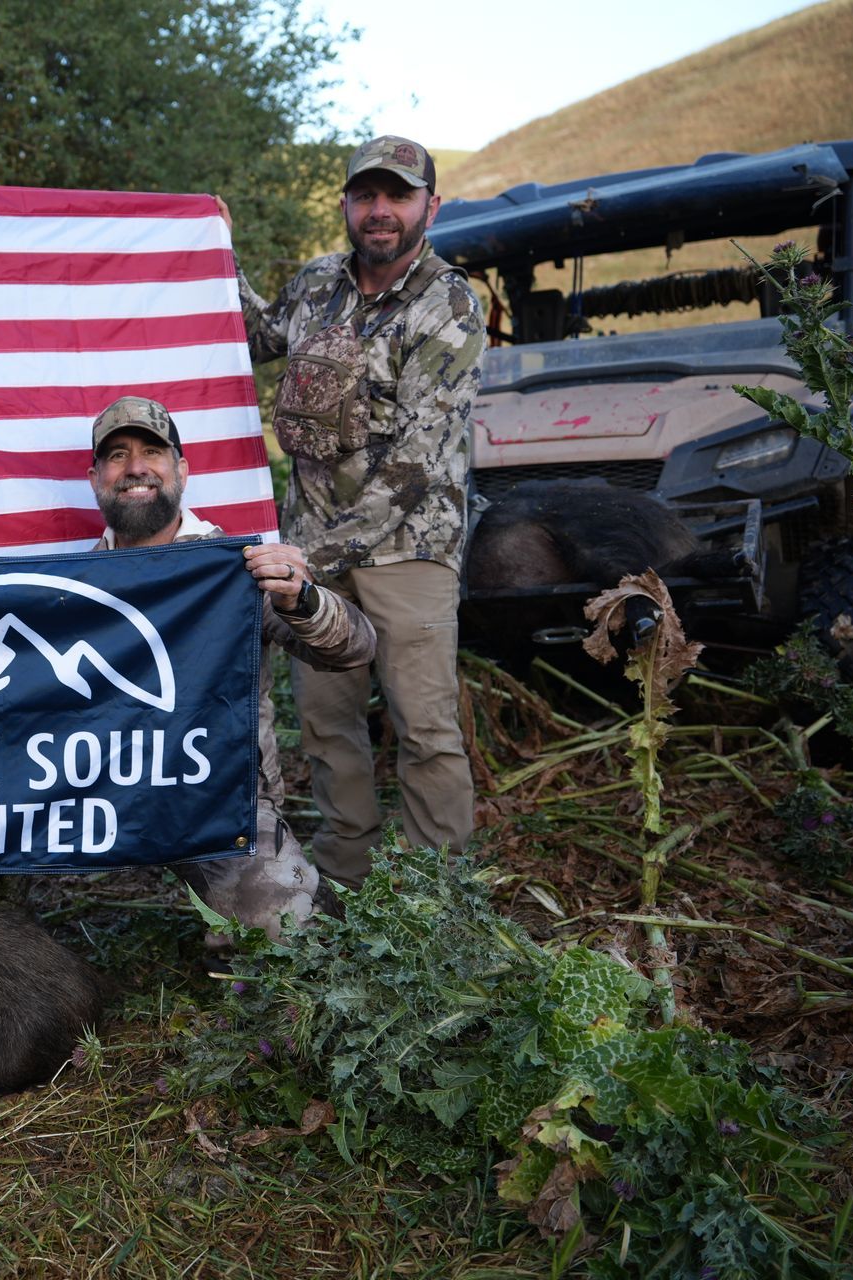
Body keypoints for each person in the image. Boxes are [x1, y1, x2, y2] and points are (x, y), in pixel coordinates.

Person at [234, 134, 486, 885]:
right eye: (366, 195)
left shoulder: (450, 304)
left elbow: (417, 461)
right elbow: (251, 334)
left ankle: (431, 906)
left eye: (398, 196)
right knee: (326, 724)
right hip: (310, 555)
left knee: (426, 728)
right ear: (346, 204)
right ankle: (346, 884)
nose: (381, 211)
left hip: (406, 552)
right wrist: (210, 254)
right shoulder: (317, 285)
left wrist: (313, 556)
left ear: (430, 207)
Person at [86, 396, 377, 934]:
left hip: (216, 801)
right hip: (93, 801)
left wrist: (303, 599)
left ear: (182, 470)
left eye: (153, 451)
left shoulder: (237, 571)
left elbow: (354, 647)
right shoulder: (68, 582)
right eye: (118, 456)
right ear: (96, 477)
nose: (135, 468)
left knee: (282, 931)